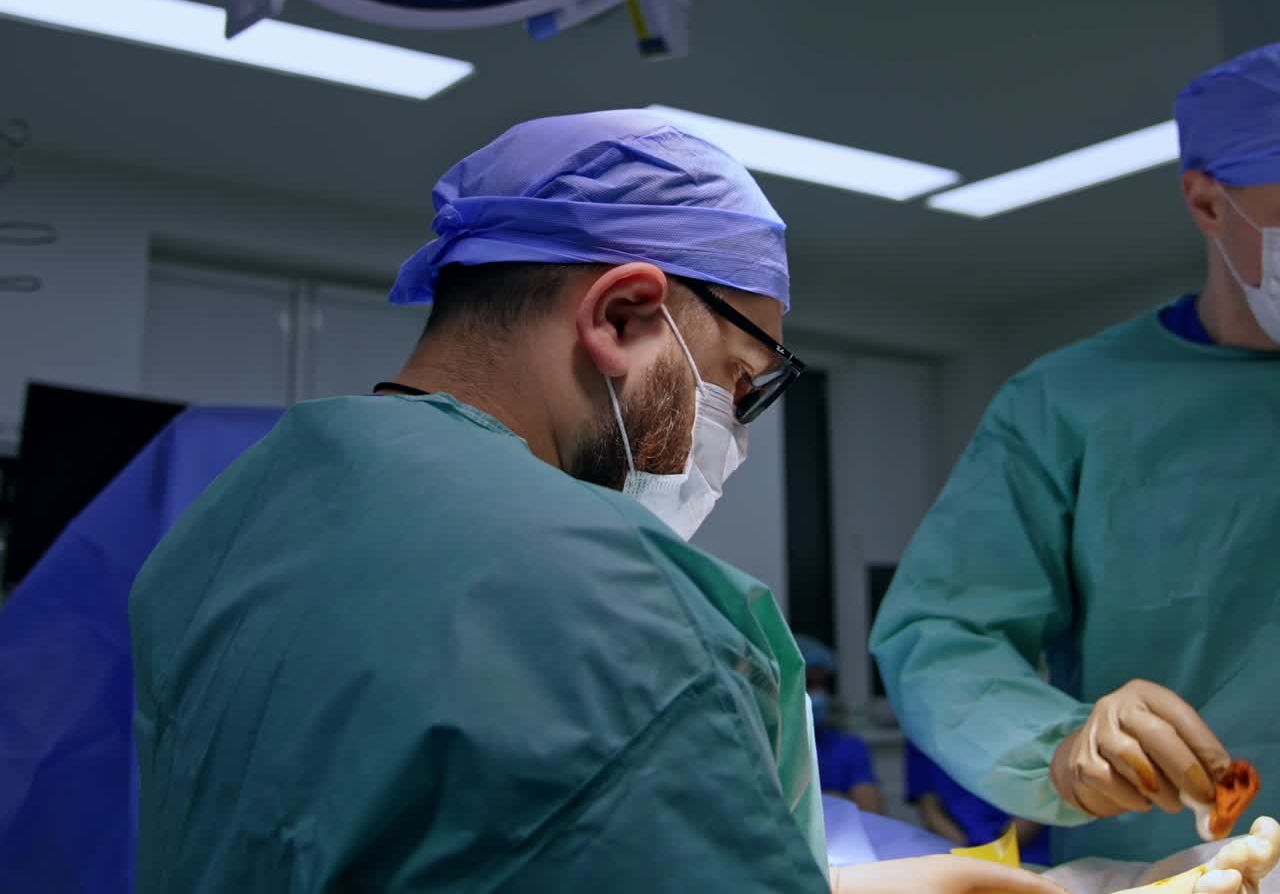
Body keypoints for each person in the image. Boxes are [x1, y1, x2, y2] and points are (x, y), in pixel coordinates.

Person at [128, 110, 1060, 894]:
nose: (732, 436)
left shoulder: (227, 524)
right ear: (622, 316)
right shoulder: (625, 600)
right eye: (739, 383)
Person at [870, 43, 1280, 865]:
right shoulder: (1070, 406)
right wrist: (1059, 748)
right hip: (1173, 868)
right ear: (1208, 203)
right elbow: (943, 631)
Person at [905, 742, 1052, 865]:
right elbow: (930, 811)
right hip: (958, 856)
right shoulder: (922, 731)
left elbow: (1045, 795)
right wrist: (973, 854)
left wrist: (993, 851)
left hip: (1027, 852)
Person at [796, 635, 885, 813]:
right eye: (809, 683)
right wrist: (838, 801)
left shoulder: (848, 747)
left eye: (822, 683)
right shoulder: (768, 749)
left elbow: (871, 811)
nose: (818, 693)